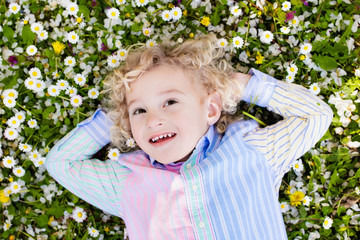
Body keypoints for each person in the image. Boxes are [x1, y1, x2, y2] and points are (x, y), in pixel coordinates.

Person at [45, 34, 333, 239]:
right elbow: (61, 163)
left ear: (210, 109)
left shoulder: (252, 152)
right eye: (140, 111)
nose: (154, 119)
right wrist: (118, 114)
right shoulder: (127, 182)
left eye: (170, 102)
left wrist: (240, 86)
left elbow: (316, 116)